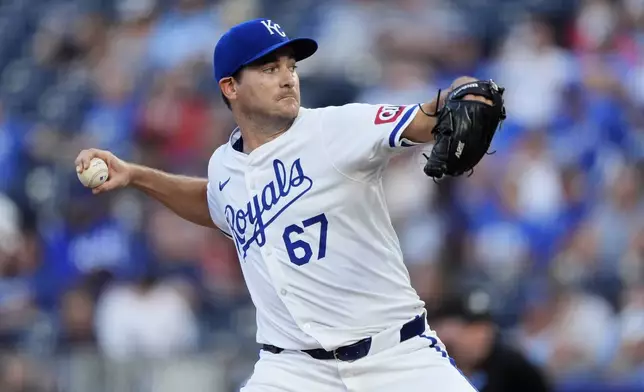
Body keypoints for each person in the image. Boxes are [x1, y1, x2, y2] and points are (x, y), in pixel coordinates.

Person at [75, 18, 493, 391]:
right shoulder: (224, 166)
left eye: (290, 66)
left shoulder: (334, 128)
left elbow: (425, 116)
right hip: (293, 371)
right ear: (230, 87)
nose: (287, 78)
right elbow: (214, 203)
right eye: (269, 68)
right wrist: (137, 175)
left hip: (396, 356)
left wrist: (461, 93)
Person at [430, 288, 552, 392]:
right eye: (471, 328)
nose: (481, 336)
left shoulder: (516, 370)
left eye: (485, 327)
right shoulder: (433, 366)